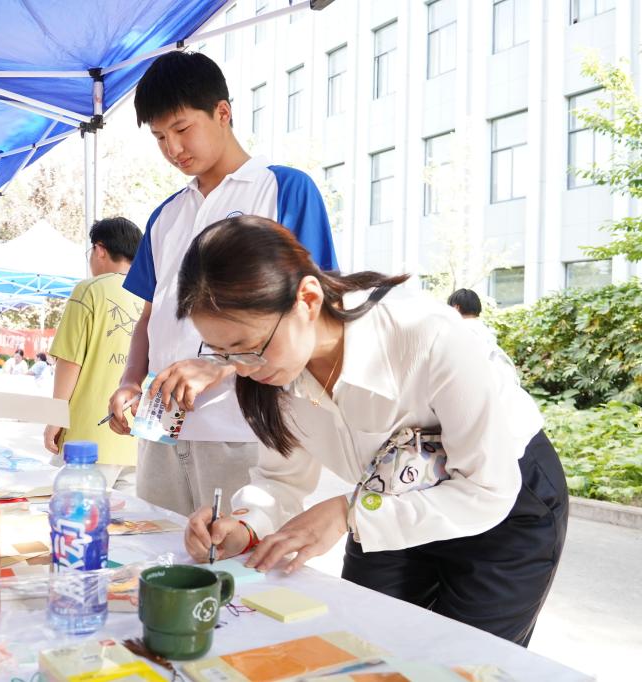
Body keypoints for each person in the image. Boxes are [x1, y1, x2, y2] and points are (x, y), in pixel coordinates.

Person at [178, 216, 568, 647]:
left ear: (308, 299)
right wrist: (243, 527)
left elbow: (488, 488)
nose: (242, 368)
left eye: (249, 348)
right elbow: (279, 480)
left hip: (501, 505)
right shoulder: (271, 377)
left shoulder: (427, 334)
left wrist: (347, 514)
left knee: (467, 662)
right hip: (385, 498)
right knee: (360, 645)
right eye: (223, 354)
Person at [108, 51, 337, 518]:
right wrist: (130, 380)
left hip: (246, 428)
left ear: (222, 112)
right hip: (160, 428)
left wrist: (223, 363)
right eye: (159, 137)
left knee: (240, 556)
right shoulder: (166, 214)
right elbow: (150, 315)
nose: (173, 148)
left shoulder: (284, 189)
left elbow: (311, 313)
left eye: (181, 128)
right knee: (156, 552)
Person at [45, 217, 143, 492]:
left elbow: (70, 360)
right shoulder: (151, 295)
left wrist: (55, 417)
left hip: (87, 441)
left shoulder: (89, 290)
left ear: (100, 249)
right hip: (137, 440)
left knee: (78, 514)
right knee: (125, 518)